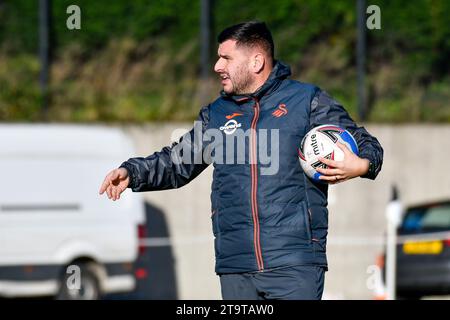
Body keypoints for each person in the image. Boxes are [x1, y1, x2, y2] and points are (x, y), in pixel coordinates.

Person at [99, 21, 383, 300]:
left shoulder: (307, 101)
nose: (217, 66)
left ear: (256, 61)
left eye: (226, 58)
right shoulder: (217, 113)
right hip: (235, 265)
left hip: (294, 263)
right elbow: (178, 161)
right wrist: (132, 172)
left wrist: (362, 165)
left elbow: (367, 144)